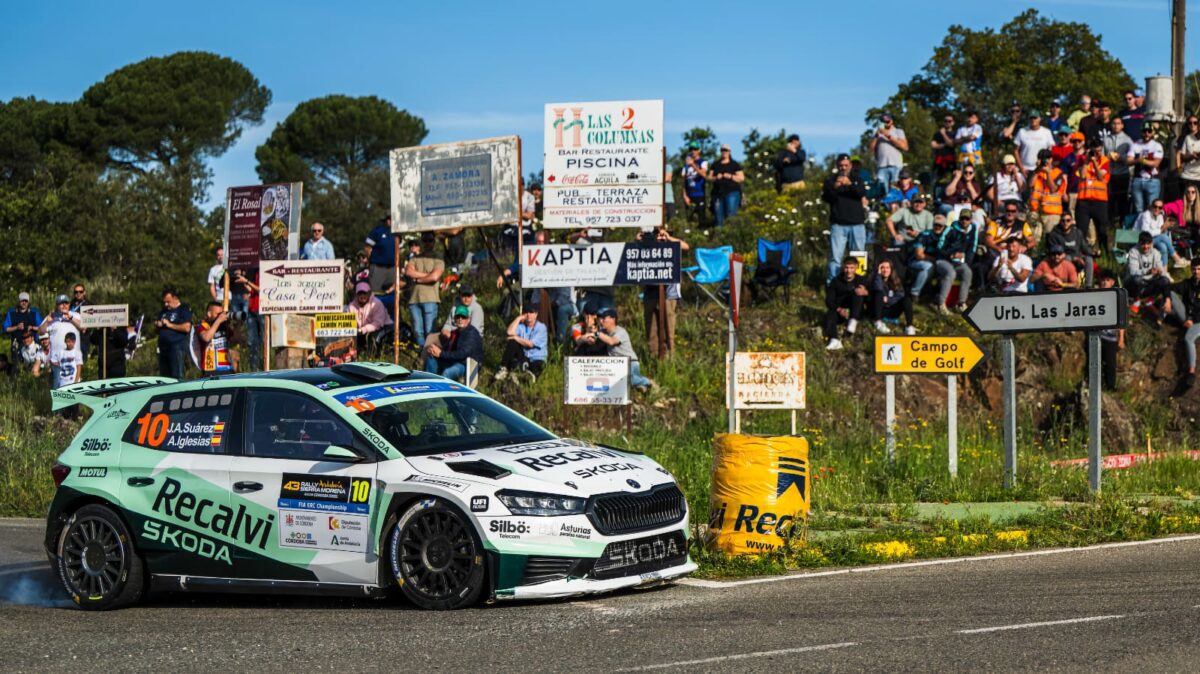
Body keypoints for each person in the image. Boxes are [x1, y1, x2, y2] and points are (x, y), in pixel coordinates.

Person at [642, 227, 689, 358]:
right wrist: (644, 239)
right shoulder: (647, 248)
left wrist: (668, 238)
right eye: (658, 235)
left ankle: (670, 356)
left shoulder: (672, 247)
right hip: (650, 293)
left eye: (663, 234)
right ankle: (653, 357)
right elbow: (636, 247)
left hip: (669, 293)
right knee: (651, 329)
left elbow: (685, 246)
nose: (661, 237)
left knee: (669, 326)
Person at [821, 154, 867, 283]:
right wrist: (836, 187)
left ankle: (858, 285)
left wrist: (850, 184)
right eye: (841, 165)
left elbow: (861, 193)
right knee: (835, 257)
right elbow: (827, 198)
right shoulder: (830, 181)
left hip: (857, 225)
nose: (843, 168)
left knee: (858, 257)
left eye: (846, 165)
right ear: (837, 166)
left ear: (850, 166)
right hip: (838, 225)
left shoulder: (858, 179)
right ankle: (832, 286)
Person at [596, 307, 653, 389]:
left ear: (613, 319)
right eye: (600, 319)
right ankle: (642, 386)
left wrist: (597, 334)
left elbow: (611, 341)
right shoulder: (604, 333)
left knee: (628, 379)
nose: (601, 321)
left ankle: (648, 382)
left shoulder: (620, 331)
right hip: (618, 365)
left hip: (630, 362)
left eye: (604, 318)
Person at [424, 305, 483, 383]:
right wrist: (435, 351)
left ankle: (443, 393)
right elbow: (449, 350)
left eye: (463, 317)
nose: (460, 319)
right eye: (458, 317)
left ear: (469, 319)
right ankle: (430, 385)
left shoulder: (471, 333)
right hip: (455, 360)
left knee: (447, 373)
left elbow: (463, 353)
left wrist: (441, 353)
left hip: (466, 365)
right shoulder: (456, 332)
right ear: (454, 319)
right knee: (431, 359)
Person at [404, 231, 444, 342]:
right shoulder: (414, 258)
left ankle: (430, 357)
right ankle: (423, 356)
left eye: (430, 240)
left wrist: (417, 279)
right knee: (417, 331)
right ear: (421, 241)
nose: (427, 243)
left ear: (434, 242)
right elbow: (408, 272)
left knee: (430, 332)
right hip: (414, 300)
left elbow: (435, 277)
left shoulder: (438, 259)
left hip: (431, 299)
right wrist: (428, 276)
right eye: (425, 240)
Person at [935, 210, 976, 314]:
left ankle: (961, 303)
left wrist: (965, 256)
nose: (964, 221)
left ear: (970, 220)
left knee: (967, 272)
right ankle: (941, 304)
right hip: (943, 260)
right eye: (962, 218)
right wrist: (951, 254)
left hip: (958, 262)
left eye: (967, 219)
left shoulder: (973, 230)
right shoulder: (950, 229)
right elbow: (940, 247)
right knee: (951, 273)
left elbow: (972, 247)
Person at [1076, 139, 1112, 254]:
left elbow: (1101, 177)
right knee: (1082, 228)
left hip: (1099, 200)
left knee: (1102, 228)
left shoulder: (1105, 160)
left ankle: (1104, 252)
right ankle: (1081, 252)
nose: (1097, 154)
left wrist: (1095, 162)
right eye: (1095, 151)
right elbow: (1081, 175)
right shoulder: (1082, 159)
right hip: (1084, 199)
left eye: (1100, 151)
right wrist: (1087, 161)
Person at [823, 257, 867, 350]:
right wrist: (839, 309)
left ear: (856, 268)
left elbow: (871, 297)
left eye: (851, 268)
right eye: (847, 267)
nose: (849, 271)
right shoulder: (835, 281)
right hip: (841, 310)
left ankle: (853, 321)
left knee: (858, 292)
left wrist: (866, 292)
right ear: (843, 267)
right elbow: (829, 300)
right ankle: (834, 339)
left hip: (856, 310)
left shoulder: (861, 280)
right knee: (830, 314)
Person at [1169, 258, 1200, 390]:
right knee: (1169, 293)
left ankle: (1191, 372)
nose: (1196, 272)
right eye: (1194, 269)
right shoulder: (1188, 283)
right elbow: (1171, 287)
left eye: (1199, 269)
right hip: (1187, 317)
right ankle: (1160, 315)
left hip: (1198, 320)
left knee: (1188, 338)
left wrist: (1192, 320)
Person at [497, 303, 548, 381]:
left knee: (534, 375)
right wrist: (519, 318)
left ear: (536, 314)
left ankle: (522, 375)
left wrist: (515, 337)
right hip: (525, 357)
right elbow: (509, 332)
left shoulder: (541, 327)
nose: (528, 315)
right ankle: (503, 368)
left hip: (537, 358)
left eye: (531, 312)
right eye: (526, 312)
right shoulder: (522, 326)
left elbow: (530, 344)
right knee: (512, 342)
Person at [1124, 232, 1171, 315]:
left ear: (1152, 243)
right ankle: (1136, 300)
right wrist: (1147, 271)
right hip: (1134, 283)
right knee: (1137, 279)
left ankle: (1152, 300)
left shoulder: (1156, 253)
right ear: (1139, 243)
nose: (1146, 247)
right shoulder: (1133, 251)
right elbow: (1133, 272)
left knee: (1165, 280)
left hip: (1148, 283)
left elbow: (1161, 268)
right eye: (1143, 244)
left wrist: (1162, 273)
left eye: (1148, 244)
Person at [1135, 199, 1188, 269]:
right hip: (1140, 240)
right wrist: (1162, 229)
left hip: (1151, 240)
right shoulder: (1146, 215)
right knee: (1163, 237)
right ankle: (1177, 259)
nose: (1157, 209)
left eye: (1160, 207)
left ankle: (1164, 271)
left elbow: (1160, 232)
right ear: (1151, 207)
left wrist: (1164, 227)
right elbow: (1145, 233)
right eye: (1155, 206)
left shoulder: (1160, 215)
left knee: (1163, 246)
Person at [1046, 213, 1094, 287]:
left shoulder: (1077, 233)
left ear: (1071, 221)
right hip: (1062, 257)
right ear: (1060, 222)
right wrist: (1073, 258)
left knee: (1089, 259)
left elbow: (1084, 247)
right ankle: (1068, 284)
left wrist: (1093, 252)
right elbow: (1054, 252)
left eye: (1068, 220)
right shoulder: (1054, 235)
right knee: (1067, 259)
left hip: (1078, 256)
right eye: (1063, 221)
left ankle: (1088, 286)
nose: (1065, 223)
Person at [1095, 270, 1124, 391]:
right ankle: (1093, 385)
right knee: (1094, 362)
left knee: (1111, 365)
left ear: (1112, 282)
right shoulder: (1095, 295)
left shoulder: (1117, 298)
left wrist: (1121, 338)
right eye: (1103, 280)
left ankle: (1110, 387)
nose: (1104, 282)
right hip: (1096, 336)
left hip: (1111, 337)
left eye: (1107, 280)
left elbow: (1121, 320)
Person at [869, 259, 916, 335]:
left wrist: (888, 300)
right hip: (880, 310)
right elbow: (878, 289)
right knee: (878, 294)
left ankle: (909, 327)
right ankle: (877, 322)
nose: (885, 270)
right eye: (882, 268)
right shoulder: (875, 279)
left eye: (887, 267)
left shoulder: (896, 280)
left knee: (906, 299)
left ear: (891, 269)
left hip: (892, 309)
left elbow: (900, 295)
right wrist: (878, 274)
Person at [1028, 149, 1067, 237]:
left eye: (1046, 159)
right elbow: (1030, 184)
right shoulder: (1035, 172)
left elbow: (1053, 189)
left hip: (1052, 212)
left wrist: (1048, 173)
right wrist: (1037, 170)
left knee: (1051, 239)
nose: (1044, 161)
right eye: (1041, 159)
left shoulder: (1057, 173)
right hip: (1035, 211)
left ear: (1051, 159)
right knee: (1035, 239)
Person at [1127, 125, 1164, 217]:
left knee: (1153, 208)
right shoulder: (1135, 144)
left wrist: (1142, 160)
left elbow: (1156, 163)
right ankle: (1139, 229)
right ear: (1141, 132)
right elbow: (1128, 161)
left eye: (1149, 131)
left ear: (1153, 132)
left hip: (1152, 180)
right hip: (1138, 179)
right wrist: (1137, 160)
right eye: (1144, 131)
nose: (1146, 133)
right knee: (1138, 208)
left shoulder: (1157, 145)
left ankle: (1151, 229)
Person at [155, 288, 192, 379]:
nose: (166, 304)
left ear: (175, 298)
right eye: (164, 302)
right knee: (164, 377)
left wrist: (169, 325)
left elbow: (187, 327)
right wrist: (157, 324)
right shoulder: (163, 311)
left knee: (176, 376)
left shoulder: (183, 309)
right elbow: (157, 323)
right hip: (163, 349)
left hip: (176, 347)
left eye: (168, 302)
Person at [347, 281, 393, 352]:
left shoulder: (376, 303)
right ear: (356, 294)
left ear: (369, 293)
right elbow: (349, 323)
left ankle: (374, 357)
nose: (362, 296)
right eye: (360, 293)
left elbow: (377, 323)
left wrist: (363, 329)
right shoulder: (351, 306)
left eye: (364, 293)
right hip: (362, 331)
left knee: (372, 339)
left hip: (383, 327)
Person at [1104, 116, 1134, 226]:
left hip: (1122, 173)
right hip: (1110, 174)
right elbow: (1103, 156)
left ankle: (1122, 224)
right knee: (1110, 200)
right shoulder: (1107, 139)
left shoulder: (1128, 140)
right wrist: (1108, 157)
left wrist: (1120, 157)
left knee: (1122, 200)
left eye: (1118, 123)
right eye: (1114, 123)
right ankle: (1109, 224)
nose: (1116, 126)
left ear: (1122, 125)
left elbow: (1131, 156)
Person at [231, 267, 262, 371]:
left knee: (262, 340)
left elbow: (263, 290)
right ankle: (254, 368)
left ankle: (263, 365)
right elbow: (252, 289)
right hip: (252, 308)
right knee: (252, 342)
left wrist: (247, 281)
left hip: (261, 309)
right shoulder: (255, 270)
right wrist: (244, 280)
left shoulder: (265, 270)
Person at [870, 112, 908, 193]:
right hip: (882, 166)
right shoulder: (877, 134)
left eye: (887, 121)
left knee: (895, 189)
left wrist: (888, 136)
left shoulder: (898, 131)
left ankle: (896, 204)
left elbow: (905, 147)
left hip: (896, 165)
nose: (886, 124)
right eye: (883, 122)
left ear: (891, 121)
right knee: (882, 189)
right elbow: (870, 149)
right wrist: (876, 136)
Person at [909, 215, 945, 299]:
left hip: (937, 261)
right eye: (936, 225)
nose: (938, 227)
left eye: (940, 225)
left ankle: (938, 296)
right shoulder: (924, 235)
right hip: (915, 261)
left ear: (944, 226)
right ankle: (914, 293)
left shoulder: (946, 236)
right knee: (928, 266)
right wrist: (934, 260)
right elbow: (919, 255)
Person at [710, 144, 744, 226]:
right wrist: (716, 177)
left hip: (731, 192)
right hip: (718, 193)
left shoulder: (734, 164)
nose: (724, 152)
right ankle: (719, 236)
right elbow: (709, 177)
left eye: (726, 150)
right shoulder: (716, 164)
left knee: (731, 215)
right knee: (718, 217)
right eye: (722, 150)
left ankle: (731, 234)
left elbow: (741, 178)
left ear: (729, 152)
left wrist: (731, 176)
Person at [1014, 110, 1055, 178]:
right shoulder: (1022, 131)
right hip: (1025, 169)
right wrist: (1021, 169)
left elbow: (1052, 149)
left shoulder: (1046, 132)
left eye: (1035, 118)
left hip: (1041, 169)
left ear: (1039, 119)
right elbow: (1015, 151)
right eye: (1031, 118)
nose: (1033, 120)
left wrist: (1048, 165)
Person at [198, 301, 236, 374]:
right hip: (210, 369)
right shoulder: (203, 326)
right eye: (217, 314)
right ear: (209, 314)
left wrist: (236, 324)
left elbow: (236, 340)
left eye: (221, 314)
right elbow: (206, 338)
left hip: (227, 368)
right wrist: (218, 321)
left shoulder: (224, 327)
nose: (220, 316)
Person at [4, 292, 43, 360]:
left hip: (32, 344)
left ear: (28, 302)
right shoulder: (11, 313)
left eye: (26, 301)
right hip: (17, 343)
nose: (24, 303)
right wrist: (17, 327)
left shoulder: (34, 312)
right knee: (17, 366)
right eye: (22, 301)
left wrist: (31, 327)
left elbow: (41, 328)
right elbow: (6, 328)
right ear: (19, 302)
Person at [364, 216, 397, 293]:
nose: (390, 221)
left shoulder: (397, 232)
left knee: (392, 293)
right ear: (385, 220)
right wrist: (370, 260)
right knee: (375, 293)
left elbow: (399, 248)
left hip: (392, 268)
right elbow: (367, 247)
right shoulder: (377, 231)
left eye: (392, 218)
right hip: (378, 268)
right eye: (389, 219)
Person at [505, 185, 539, 255]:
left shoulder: (529, 197)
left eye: (522, 184)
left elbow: (530, 215)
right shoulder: (508, 196)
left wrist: (516, 212)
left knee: (527, 254)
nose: (521, 187)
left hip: (527, 234)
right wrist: (524, 214)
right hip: (511, 234)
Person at [681, 142, 709, 227]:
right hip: (689, 195)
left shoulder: (702, 162)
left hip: (699, 194)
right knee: (690, 218)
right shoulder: (686, 164)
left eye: (695, 149)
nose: (693, 151)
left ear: (699, 150)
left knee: (701, 218)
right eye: (691, 149)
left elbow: (704, 175)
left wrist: (693, 165)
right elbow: (683, 180)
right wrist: (684, 195)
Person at [930, 113, 958, 187]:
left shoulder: (955, 133)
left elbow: (951, 144)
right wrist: (945, 144)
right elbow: (933, 145)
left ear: (953, 122)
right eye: (946, 121)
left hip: (950, 160)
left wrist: (943, 134)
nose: (947, 123)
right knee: (934, 179)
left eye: (949, 121)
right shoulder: (937, 133)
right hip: (939, 160)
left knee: (951, 179)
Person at [1176, 115, 1200, 194]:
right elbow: (1180, 154)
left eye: (1195, 123)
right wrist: (1192, 156)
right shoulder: (1186, 137)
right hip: (1187, 175)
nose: (1192, 125)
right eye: (1190, 123)